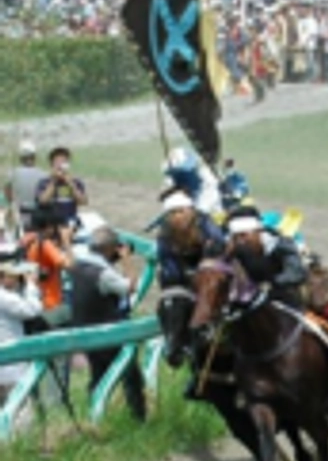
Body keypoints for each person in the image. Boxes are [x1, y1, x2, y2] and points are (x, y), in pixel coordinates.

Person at [225, 206, 328, 363]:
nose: (240, 241)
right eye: (236, 237)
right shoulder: (234, 247)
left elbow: (296, 273)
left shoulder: (281, 244)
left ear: (257, 232)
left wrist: (273, 283)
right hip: (261, 297)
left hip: (298, 288)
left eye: (244, 235)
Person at [69, 226, 146, 422]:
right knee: (130, 376)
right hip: (109, 331)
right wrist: (127, 259)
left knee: (99, 376)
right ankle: (138, 418)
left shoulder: (78, 266)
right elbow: (131, 287)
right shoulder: (104, 274)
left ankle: (95, 417)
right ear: (110, 248)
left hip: (86, 331)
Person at [157, 188, 227, 291]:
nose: (178, 216)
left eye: (181, 211)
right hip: (182, 278)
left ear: (191, 211)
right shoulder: (165, 235)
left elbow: (219, 245)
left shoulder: (205, 224)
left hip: (209, 271)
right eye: (173, 213)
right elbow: (169, 266)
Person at [0, 248, 43, 407]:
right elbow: (32, 310)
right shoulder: (4, 297)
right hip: (11, 369)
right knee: (22, 418)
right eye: (15, 275)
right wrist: (31, 287)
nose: (19, 279)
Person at [35, 146, 88, 247]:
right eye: (57, 162)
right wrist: (54, 181)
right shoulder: (44, 182)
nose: (60, 166)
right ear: (52, 165)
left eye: (64, 162)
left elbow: (83, 201)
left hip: (71, 221)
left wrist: (71, 184)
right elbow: (42, 201)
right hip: (51, 224)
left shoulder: (76, 182)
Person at [4, 140, 47, 232]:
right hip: (37, 210)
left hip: (21, 210)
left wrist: (12, 202)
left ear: (21, 158)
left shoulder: (14, 173)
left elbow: (7, 189)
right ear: (34, 157)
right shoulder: (43, 174)